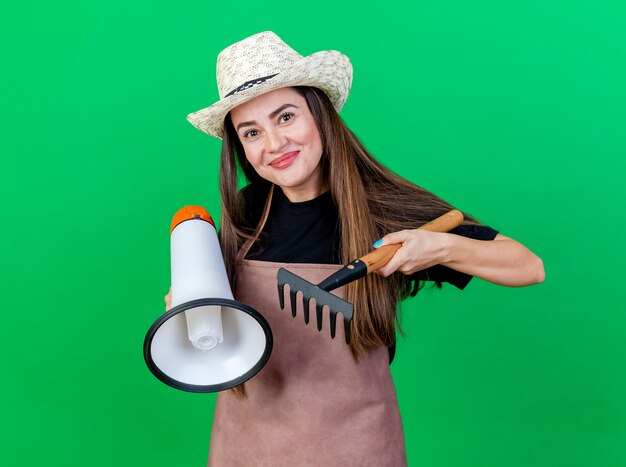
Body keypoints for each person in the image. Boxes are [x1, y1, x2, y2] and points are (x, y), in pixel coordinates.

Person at [168, 31, 545, 466]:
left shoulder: (384, 209)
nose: (273, 144)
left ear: (319, 114)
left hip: (354, 449)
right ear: (241, 150)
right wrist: (188, 308)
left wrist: (438, 248)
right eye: (252, 132)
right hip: (246, 446)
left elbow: (528, 266)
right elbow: (204, 320)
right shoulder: (245, 216)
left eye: (286, 117)